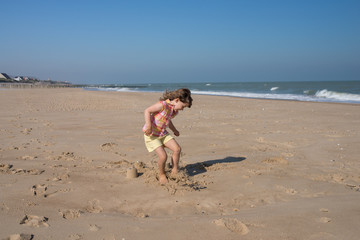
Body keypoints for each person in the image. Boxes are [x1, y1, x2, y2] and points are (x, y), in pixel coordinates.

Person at [143, 88, 193, 184]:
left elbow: (168, 121)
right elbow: (147, 111)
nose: (182, 109)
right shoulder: (162, 105)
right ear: (177, 100)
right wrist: (148, 125)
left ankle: (174, 169)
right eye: (182, 107)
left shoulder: (174, 111)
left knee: (177, 149)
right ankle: (162, 174)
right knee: (163, 156)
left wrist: (174, 130)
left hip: (162, 133)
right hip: (152, 135)